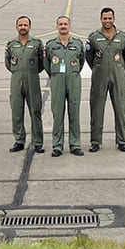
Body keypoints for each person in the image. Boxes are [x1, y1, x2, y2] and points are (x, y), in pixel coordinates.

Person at [86, 7, 125, 152]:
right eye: (105, 18)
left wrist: (118, 68)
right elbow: (89, 57)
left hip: (117, 75)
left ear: (114, 19)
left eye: (110, 18)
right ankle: (95, 141)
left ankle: (122, 140)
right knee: (97, 109)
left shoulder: (122, 36)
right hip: (99, 76)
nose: (107, 21)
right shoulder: (94, 37)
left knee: (120, 108)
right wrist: (98, 67)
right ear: (101, 19)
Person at [44, 16, 85, 157]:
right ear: (57, 26)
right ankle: (57, 145)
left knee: (74, 112)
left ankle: (75, 144)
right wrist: (55, 75)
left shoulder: (78, 44)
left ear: (70, 26)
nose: (63, 26)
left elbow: (82, 60)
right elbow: (46, 63)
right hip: (57, 82)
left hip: (73, 81)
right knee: (58, 113)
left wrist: (72, 73)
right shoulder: (50, 45)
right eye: (60, 24)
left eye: (65, 24)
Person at [5, 15, 45, 153]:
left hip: (32, 79)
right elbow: (8, 63)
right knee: (16, 111)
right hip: (16, 80)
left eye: (25, 25)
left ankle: (38, 142)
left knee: (35, 110)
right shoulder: (11, 44)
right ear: (16, 27)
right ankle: (19, 140)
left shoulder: (37, 43)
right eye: (20, 25)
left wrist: (31, 72)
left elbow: (41, 63)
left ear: (29, 26)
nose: (23, 27)